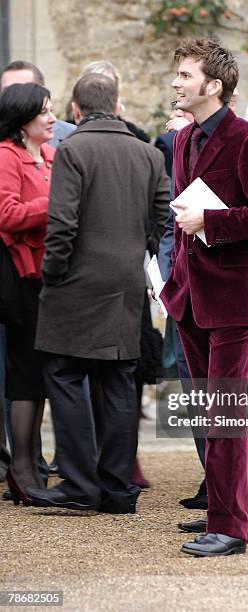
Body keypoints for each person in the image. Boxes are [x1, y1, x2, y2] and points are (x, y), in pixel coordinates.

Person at [160, 37, 248, 557]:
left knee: (224, 417)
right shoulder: (184, 138)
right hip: (190, 294)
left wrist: (207, 220)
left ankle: (230, 529)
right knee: (209, 412)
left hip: (234, 297)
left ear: (213, 85)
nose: (175, 83)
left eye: (185, 76)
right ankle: (243, 516)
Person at [26, 73, 169, 514]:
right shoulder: (147, 154)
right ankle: (116, 488)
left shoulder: (73, 149)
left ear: (75, 111)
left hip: (75, 284)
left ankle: (81, 483)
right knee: (120, 381)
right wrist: (138, 252)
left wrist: (52, 273)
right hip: (125, 283)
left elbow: (62, 222)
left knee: (65, 375)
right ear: (119, 105)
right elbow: (162, 211)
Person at [0, 82, 56, 504]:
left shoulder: (51, 156)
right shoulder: (6, 156)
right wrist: (57, 202)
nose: (52, 118)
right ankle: (20, 467)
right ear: (23, 120)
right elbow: (8, 214)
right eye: (44, 112)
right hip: (21, 278)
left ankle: (33, 464)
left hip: (54, 278)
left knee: (40, 373)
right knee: (24, 372)